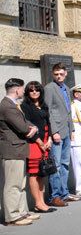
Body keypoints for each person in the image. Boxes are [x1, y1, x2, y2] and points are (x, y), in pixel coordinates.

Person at [1, 78, 38, 226]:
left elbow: (26, 123)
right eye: (23, 89)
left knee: (20, 184)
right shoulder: (7, 106)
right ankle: (12, 216)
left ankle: (22, 212)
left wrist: (33, 127)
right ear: (17, 90)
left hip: (18, 149)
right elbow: (22, 127)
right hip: (12, 150)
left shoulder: (13, 105)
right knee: (13, 185)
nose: (24, 91)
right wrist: (31, 128)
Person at [44, 63, 78, 206]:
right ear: (53, 74)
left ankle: (64, 193)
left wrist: (72, 130)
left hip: (66, 130)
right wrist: (54, 132)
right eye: (56, 74)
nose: (59, 76)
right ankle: (55, 196)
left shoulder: (66, 88)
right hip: (57, 131)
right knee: (56, 165)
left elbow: (68, 110)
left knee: (65, 164)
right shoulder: (49, 88)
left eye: (61, 74)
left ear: (65, 74)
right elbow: (49, 111)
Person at [20, 81, 53, 213]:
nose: (34, 92)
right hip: (34, 143)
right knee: (34, 174)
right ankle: (38, 203)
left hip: (46, 141)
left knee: (41, 173)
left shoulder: (44, 106)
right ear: (27, 92)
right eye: (31, 90)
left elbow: (48, 123)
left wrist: (49, 139)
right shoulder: (25, 106)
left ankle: (41, 202)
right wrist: (40, 143)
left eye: (37, 90)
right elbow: (28, 127)